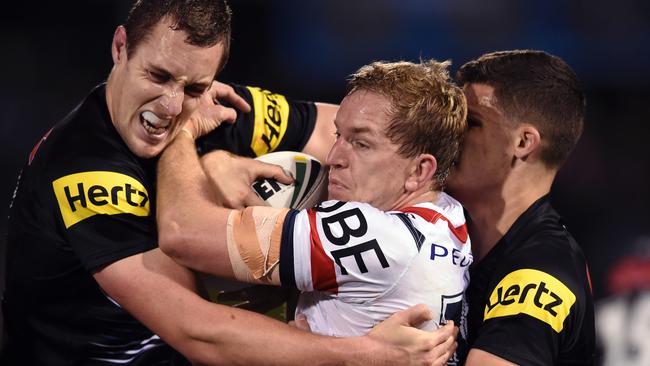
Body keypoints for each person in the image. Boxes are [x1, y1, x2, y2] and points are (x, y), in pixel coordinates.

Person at [0, 0, 457, 364]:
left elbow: (352, 126)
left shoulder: (218, 110)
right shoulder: (86, 171)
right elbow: (199, 331)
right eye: (156, 76)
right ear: (120, 47)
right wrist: (365, 355)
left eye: (195, 87)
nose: (171, 105)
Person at [156, 58, 470, 345]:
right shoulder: (450, 216)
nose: (334, 158)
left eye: (361, 144)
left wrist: (182, 131)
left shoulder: (377, 236)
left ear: (419, 169)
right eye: (338, 137)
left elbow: (182, 232)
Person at [446, 50, 596, 365]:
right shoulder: (446, 232)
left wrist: (372, 354)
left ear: (523, 143)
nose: (450, 133)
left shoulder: (539, 273)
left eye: (471, 122)